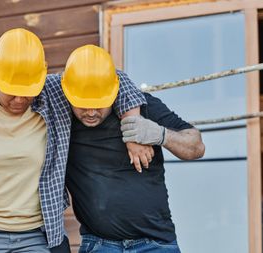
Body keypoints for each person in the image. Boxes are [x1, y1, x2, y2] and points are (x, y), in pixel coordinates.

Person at [0, 29, 146, 253]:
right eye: (12, 89)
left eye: (28, 89)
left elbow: (114, 78)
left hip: (37, 234)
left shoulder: (53, 94)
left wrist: (133, 129)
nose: (21, 98)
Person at [62, 45, 205, 252]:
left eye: (100, 103)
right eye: (83, 105)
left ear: (113, 91)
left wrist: (160, 134)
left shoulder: (144, 106)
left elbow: (197, 146)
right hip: (100, 244)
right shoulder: (63, 120)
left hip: (155, 244)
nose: (91, 112)